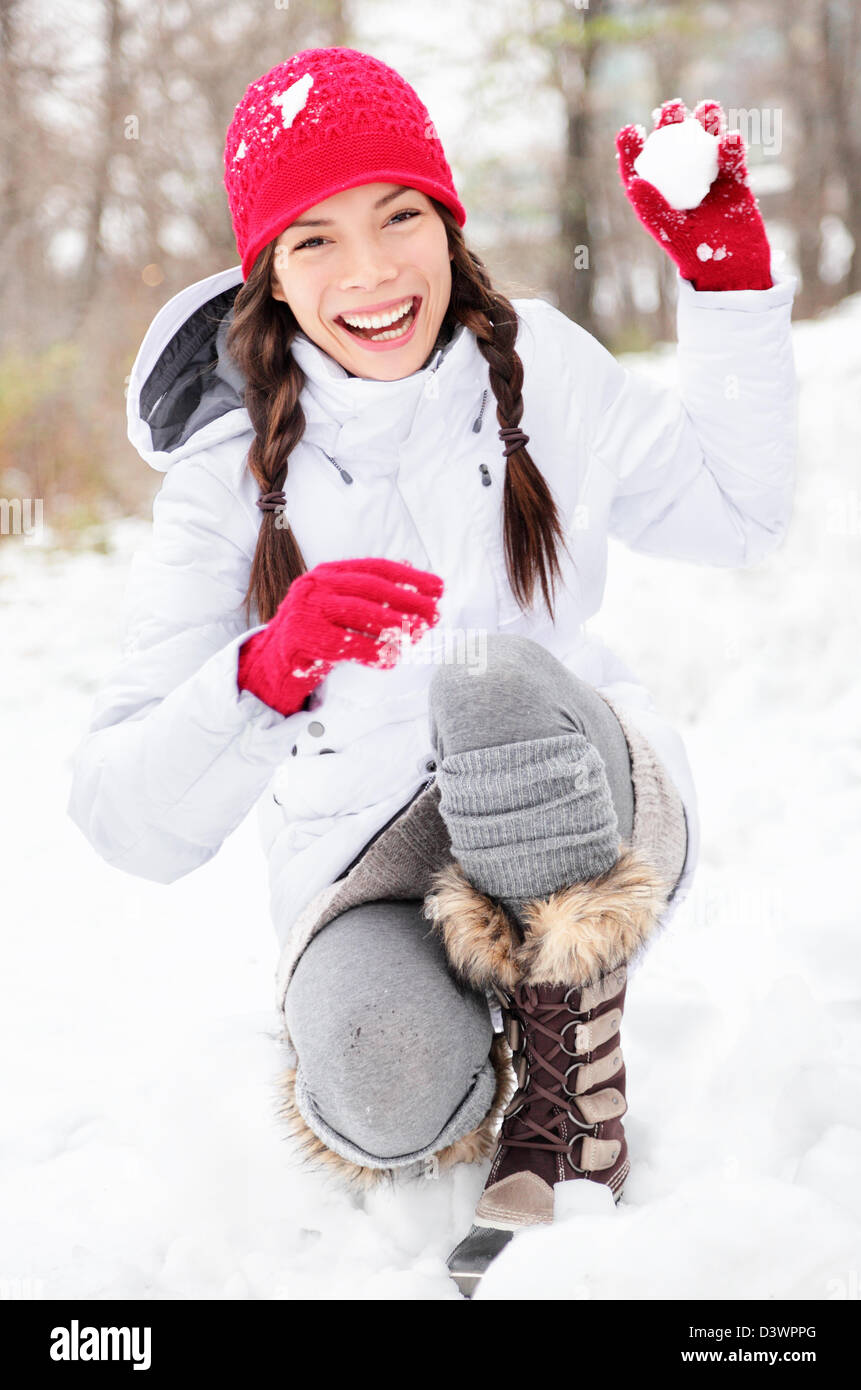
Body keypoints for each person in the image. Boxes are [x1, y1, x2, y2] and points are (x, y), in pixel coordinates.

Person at [67, 46, 798, 1295]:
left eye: (398, 215)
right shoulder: (222, 479)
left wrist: (724, 287)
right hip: (365, 854)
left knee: (487, 680)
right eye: (314, 240)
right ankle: (461, 1037)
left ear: (448, 223)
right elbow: (121, 813)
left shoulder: (544, 365)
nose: (368, 273)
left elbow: (737, 516)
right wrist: (265, 668)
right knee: (382, 1089)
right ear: (268, 273)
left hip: (581, 801)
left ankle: (570, 1086)